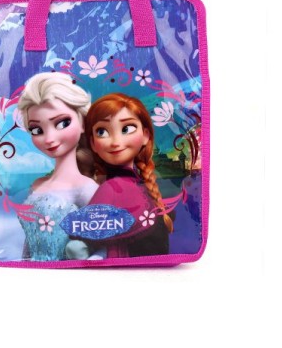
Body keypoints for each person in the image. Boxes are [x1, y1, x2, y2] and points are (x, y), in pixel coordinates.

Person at [16, 72, 97, 261]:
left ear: (83, 122)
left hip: (69, 273)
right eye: (37, 130)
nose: (49, 139)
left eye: (62, 123)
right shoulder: (37, 185)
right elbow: (30, 241)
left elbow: (99, 243)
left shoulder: (86, 188)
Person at [82, 93, 173, 259]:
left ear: (145, 135)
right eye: (102, 131)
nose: (116, 142)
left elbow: (84, 231)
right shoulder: (131, 186)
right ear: (93, 143)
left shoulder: (112, 188)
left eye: (127, 129)